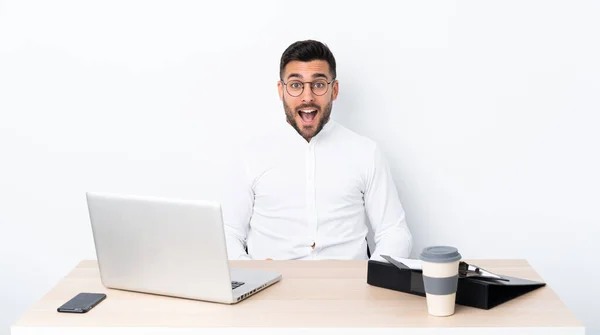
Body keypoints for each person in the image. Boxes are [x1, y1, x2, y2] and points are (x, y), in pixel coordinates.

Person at [222, 40, 412, 260]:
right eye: (295, 85)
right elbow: (228, 233)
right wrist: (254, 275)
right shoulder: (251, 155)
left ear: (335, 89)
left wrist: (372, 276)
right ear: (280, 90)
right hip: (271, 289)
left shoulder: (366, 153)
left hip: (349, 289)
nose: (307, 96)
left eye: (318, 84)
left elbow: (395, 232)